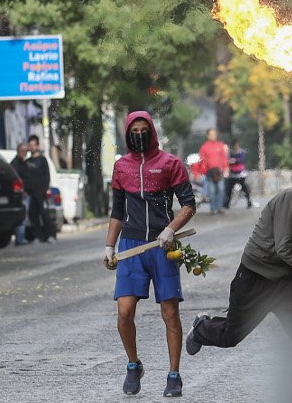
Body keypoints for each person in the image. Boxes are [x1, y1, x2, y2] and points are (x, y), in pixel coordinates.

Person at [185, 159, 292, 361]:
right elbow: (284, 248)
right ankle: (201, 328)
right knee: (230, 335)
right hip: (256, 275)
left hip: (286, 280)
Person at [104, 111, 196, 397]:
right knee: (124, 311)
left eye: (144, 130)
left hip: (162, 246)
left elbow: (189, 205)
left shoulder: (171, 164)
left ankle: (174, 374)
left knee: (169, 312)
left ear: (152, 131)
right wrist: (109, 246)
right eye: (134, 131)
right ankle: (133, 365)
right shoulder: (121, 167)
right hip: (131, 246)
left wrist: (170, 229)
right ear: (127, 134)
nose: (139, 135)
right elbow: (117, 211)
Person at [27, 135, 53, 242]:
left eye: (34, 145)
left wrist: (45, 189)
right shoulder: (27, 161)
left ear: (37, 146)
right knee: (33, 215)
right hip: (32, 193)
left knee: (45, 214)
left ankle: (50, 235)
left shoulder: (42, 160)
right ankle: (38, 236)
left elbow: (47, 176)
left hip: (42, 193)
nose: (32, 147)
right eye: (30, 145)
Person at [198, 129, 228, 214]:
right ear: (208, 136)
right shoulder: (204, 147)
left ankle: (220, 208)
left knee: (221, 190)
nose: (213, 136)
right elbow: (202, 160)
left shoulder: (220, 145)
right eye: (211, 134)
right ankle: (212, 208)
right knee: (212, 191)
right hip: (210, 173)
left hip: (220, 172)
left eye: (214, 134)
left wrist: (226, 168)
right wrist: (204, 170)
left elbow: (224, 157)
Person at [10, 143, 32, 246]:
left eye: (25, 151)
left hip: (26, 193)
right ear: (18, 151)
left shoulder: (25, 163)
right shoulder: (15, 164)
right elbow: (15, 180)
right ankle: (20, 239)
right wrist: (21, 191)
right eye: (22, 151)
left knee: (24, 217)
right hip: (20, 195)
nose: (24, 153)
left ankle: (21, 238)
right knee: (21, 217)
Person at [224, 139, 252, 209]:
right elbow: (227, 161)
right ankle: (227, 203)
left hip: (240, 173)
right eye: (234, 145)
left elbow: (241, 160)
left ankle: (249, 201)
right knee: (229, 188)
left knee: (244, 187)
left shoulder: (242, 152)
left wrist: (234, 160)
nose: (235, 147)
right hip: (233, 173)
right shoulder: (230, 153)